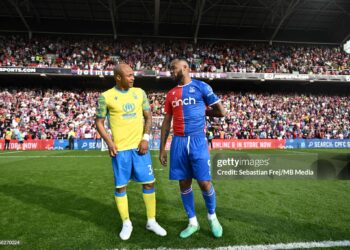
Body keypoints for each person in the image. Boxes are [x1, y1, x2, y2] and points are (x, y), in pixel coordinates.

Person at [95, 63, 166, 241]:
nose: (132, 77)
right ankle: (126, 223)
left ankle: (151, 221)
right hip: (120, 151)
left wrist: (146, 138)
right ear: (118, 77)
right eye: (128, 75)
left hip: (139, 148)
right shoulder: (106, 97)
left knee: (149, 183)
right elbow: (99, 123)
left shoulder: (140, 93)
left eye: (133, 74)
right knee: (121, 186)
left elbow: (148, 117)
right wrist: (110, 143)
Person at [159, 59, 226, 238]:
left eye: (174, 68)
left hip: (197, 140)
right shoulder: (171, 94)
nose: (171, 71)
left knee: (204, 182)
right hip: (178, 142)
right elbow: (166, 122)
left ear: (186, 68)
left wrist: (203, 112)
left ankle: (212, 217)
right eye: (170, 69)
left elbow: (221, 111)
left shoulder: (201, 87)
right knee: (184, 182)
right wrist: (162, 149)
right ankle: (193, 222)